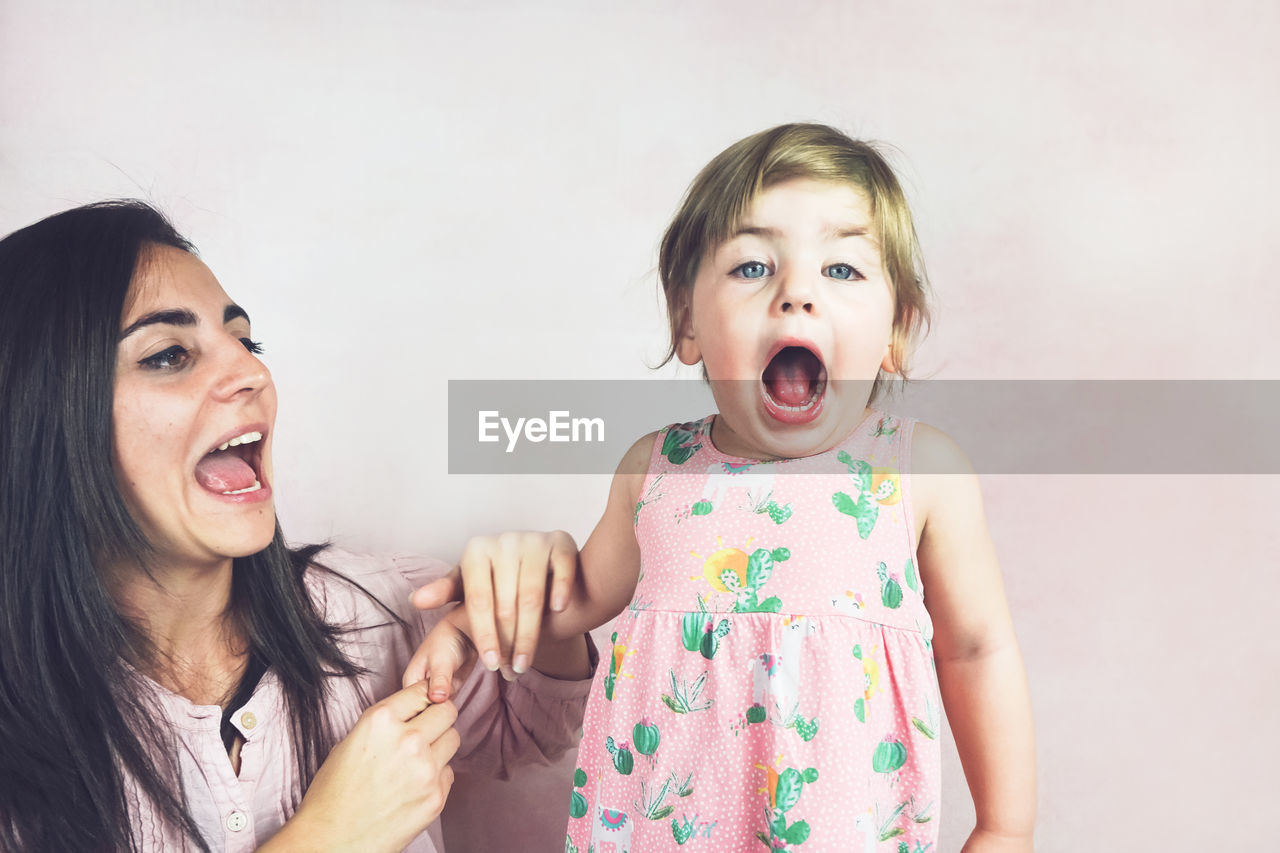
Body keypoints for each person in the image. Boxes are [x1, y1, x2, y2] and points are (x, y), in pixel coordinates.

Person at [424, 124, 1037, 851]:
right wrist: (479, 618)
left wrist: (1005, 825)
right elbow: (580, 596)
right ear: (687, 322)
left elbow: (975, 650)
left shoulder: (917, 472)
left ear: (896, 330)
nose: (796, 294)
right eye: (752, 267)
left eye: (842, 270)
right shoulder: (655, 469)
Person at [0, 200, 593, 852]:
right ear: (43, 417)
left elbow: (534, 728)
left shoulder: (377, 607)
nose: (252, 372)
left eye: (245, 340)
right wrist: (326, 838)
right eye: (170, 354)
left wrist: (547, 600)